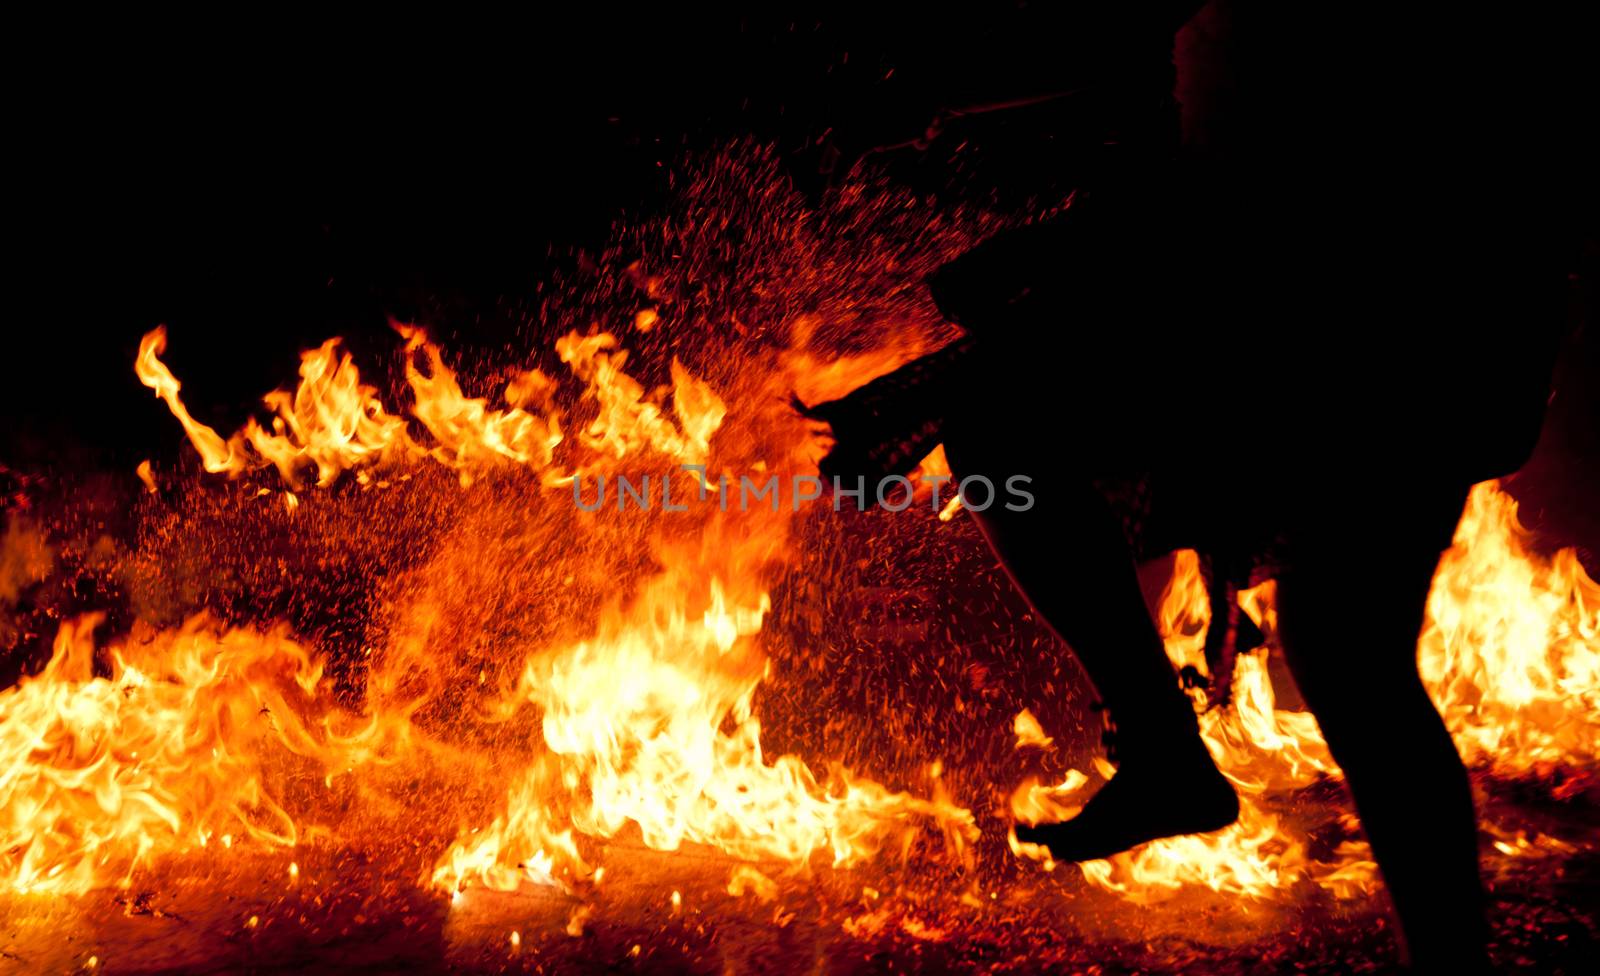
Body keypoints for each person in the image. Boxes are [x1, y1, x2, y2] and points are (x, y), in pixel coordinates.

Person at [805, 3, 1583, 970]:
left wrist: (1035, 288)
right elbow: (1176, 89)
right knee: (1353, 662)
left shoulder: (1350, 68)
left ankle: (1167, 753)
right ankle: (1440, 952)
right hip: (1421, 331)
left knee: (1005, 432)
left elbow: (1253, 177)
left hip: (1372, 322)